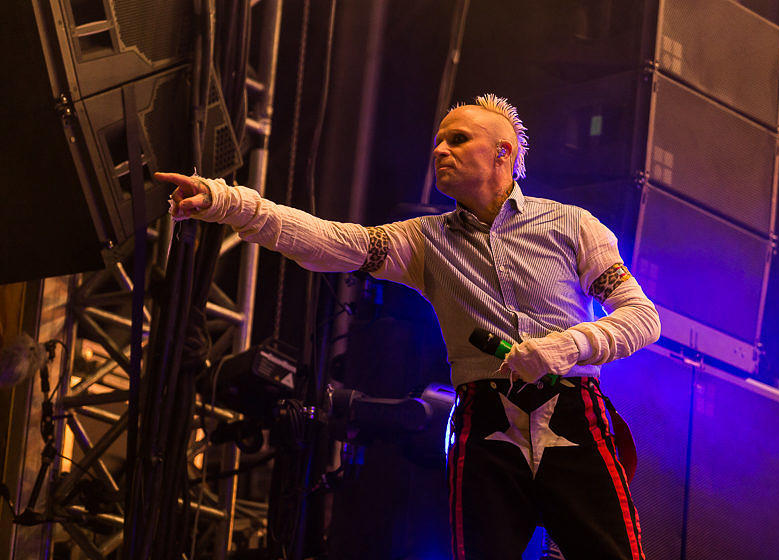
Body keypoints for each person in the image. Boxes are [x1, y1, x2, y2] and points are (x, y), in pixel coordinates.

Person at [156, 93, 660, 560]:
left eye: (457, 139)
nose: (440, 150)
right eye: (438, 141)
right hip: (484, 420)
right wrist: (229, 202)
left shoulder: (571, 225)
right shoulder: (425, 240)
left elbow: (642, 316)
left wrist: (568, 346)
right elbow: (332, 242)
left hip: (573, 410)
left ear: (503, 153)